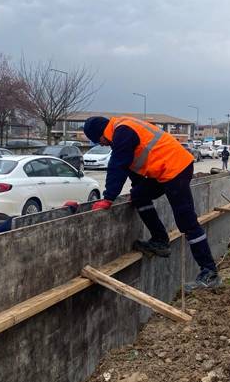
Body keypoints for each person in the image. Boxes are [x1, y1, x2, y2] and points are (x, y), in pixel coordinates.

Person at [83, 115, 222, 291]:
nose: (101, 144)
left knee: (186, 221)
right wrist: (137, 189)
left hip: (175, 168)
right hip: (165, 170)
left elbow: (118, 166)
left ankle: (210, 272)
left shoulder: (122, 132)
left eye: (98, 141)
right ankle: (160, 240)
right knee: (139, 195)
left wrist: (108, 198)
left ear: (101, 134)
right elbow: (133, 167)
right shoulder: (121, 129)